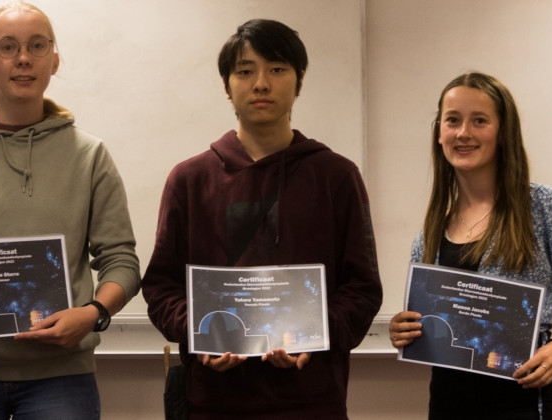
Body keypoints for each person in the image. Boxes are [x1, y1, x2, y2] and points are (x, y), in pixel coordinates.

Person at [142, 18, 382, 419]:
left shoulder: (336, 176)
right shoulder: (189, 179)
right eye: (245, 71)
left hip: (311, 399)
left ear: (299, 80)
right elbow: (162, 287)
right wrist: (201, 335)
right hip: (214, 401)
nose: (261, 84)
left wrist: (314, 336)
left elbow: (362, 288)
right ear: (227, 85)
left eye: (276, 69)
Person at [0, 2, 140, 419]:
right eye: (7, 47)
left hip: (61, 376)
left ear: (54, 60)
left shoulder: (89, 155)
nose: (22, 58)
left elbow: (121, 261)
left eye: (36, 45)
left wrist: (94, 314)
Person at [389, 72, 552, 419]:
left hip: (525, 400)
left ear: (503, 133)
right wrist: (403, 328)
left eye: (479, 121)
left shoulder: (545, 208)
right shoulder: (430, 232)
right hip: (449, 402)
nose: (463, 133)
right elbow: (430, 323)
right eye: (452, 120)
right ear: (439, 133)